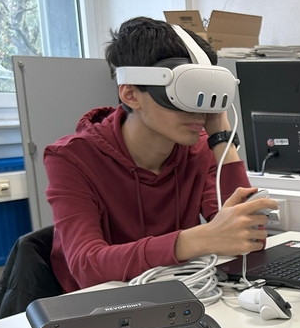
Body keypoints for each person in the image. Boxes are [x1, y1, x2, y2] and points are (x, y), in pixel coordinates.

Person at [44, 16, 277, 292]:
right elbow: (87, 267)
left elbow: (249, 240)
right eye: (184, 92)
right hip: (99, 304)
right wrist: (199, 239)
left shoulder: (200, 148)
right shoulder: (72, 158)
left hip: (183, 292)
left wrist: (222, 139)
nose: (199, 111)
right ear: (131, 95)